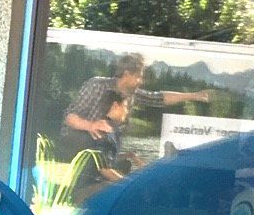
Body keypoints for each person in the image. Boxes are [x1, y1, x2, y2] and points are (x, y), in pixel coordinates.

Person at [59, 52, 203, 164]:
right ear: (127, 74)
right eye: (139, 77)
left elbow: (159, 98)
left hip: (102, 156)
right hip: (77, 154)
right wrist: (90, 125)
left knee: (126, 163)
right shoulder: (97, 85)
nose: (141, 82)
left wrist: (194, 96)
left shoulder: (132, 94)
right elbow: (69, 116)